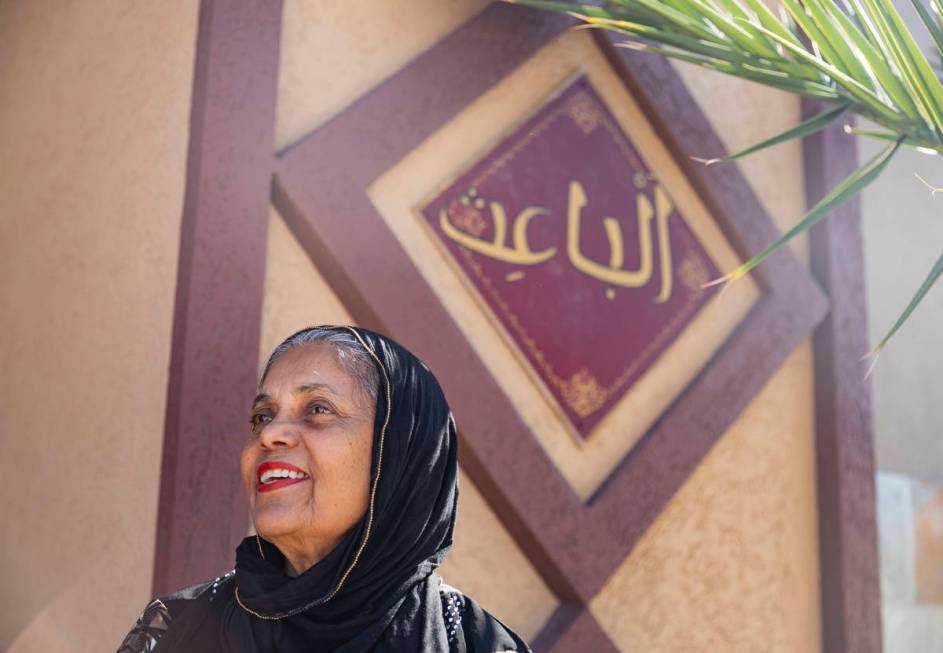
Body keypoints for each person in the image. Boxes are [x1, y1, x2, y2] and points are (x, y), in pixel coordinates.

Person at [117, 325, 530, 653]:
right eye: (262, 416)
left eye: (318, 409)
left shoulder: (478, 645)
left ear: (399, 455)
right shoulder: (179, 629)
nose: (271, 434)